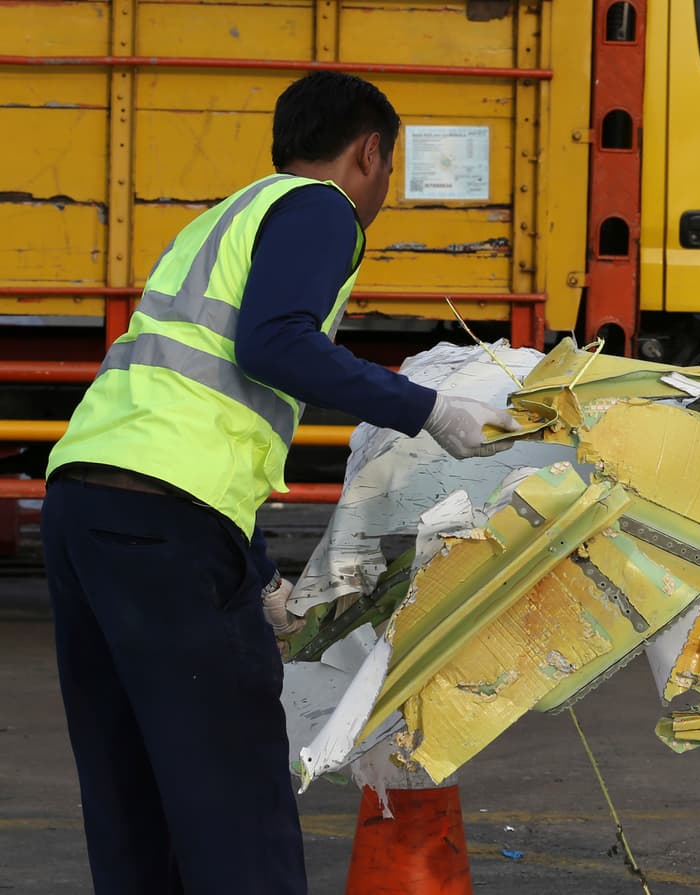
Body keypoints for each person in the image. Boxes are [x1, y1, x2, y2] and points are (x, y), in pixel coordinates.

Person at [39, 71, 519, 895]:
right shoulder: (319, 209)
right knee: (233, 791)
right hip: (166, 523)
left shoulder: (221, 219)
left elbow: (200, 411)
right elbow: (275, 347)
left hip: (87, 506)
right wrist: (430, 408)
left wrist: (259, 575)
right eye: (388, 169)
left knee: (131, 789)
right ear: (369, 151)